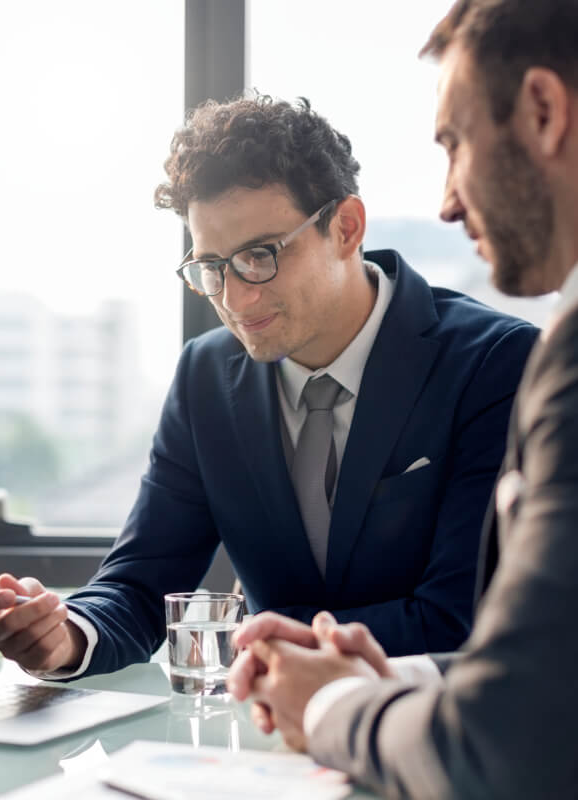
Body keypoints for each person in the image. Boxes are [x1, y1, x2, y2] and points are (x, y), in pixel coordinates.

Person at [0, 94, 536, 678]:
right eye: (211, 267)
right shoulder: (205, 377)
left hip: (430, 734)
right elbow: (140, 584)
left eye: (260, 256)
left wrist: (265, 648)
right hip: (263, 739)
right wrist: (65, 635)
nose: (236, 299)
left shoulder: (495, 364)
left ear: (345, 227)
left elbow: (462, 618)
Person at [228, 2, 578, 798]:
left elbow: (503, 747)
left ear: (544, 112)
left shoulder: (540, 359)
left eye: (454, 144)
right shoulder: (206, 378)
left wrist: (329, 703)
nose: (449, 201)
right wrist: (386, 672)